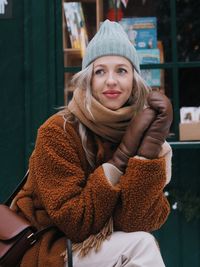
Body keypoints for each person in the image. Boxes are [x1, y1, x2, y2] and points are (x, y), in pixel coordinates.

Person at [11, 19, 173, 267]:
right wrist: (119, 161)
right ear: (88, 79)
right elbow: (75, 222)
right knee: (142, 246)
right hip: (50, 248)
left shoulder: (142, 134)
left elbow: (137, 222)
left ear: (134, 81)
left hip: (101, 247)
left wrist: (148, 151)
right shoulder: (58, 132)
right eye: (100, 71)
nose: (111, 80)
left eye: (121, 70)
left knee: (140, 241)